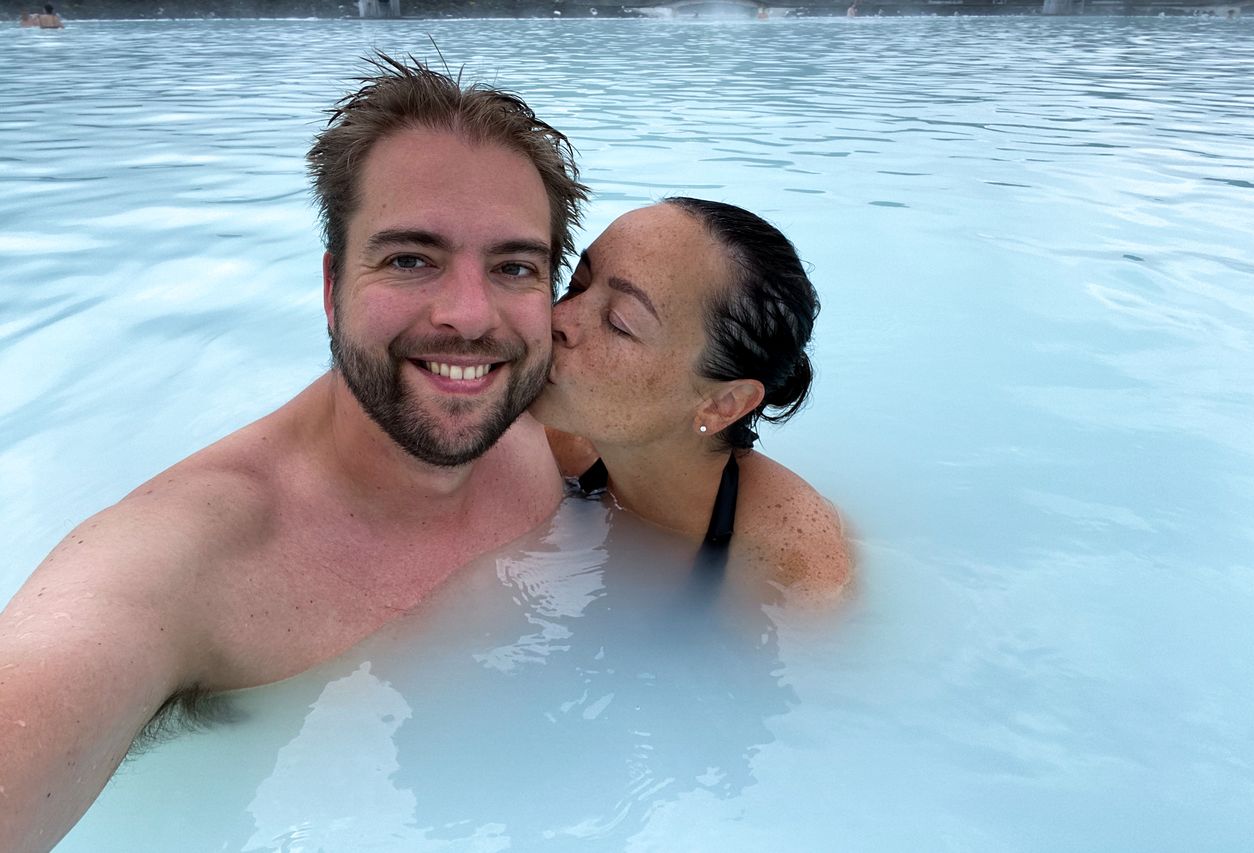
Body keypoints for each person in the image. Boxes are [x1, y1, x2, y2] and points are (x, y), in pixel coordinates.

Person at [0, 55, 587, 853]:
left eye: (514, 266)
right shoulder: (175, 562)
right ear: (330, 284)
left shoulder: (544, 431)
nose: (468, 315)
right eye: (411, 258)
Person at [532, 198, 852, 602]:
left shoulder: (791, 565)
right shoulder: (553, 443)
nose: (557, 319)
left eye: (619, 323)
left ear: (724, 404)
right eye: (577, 285)